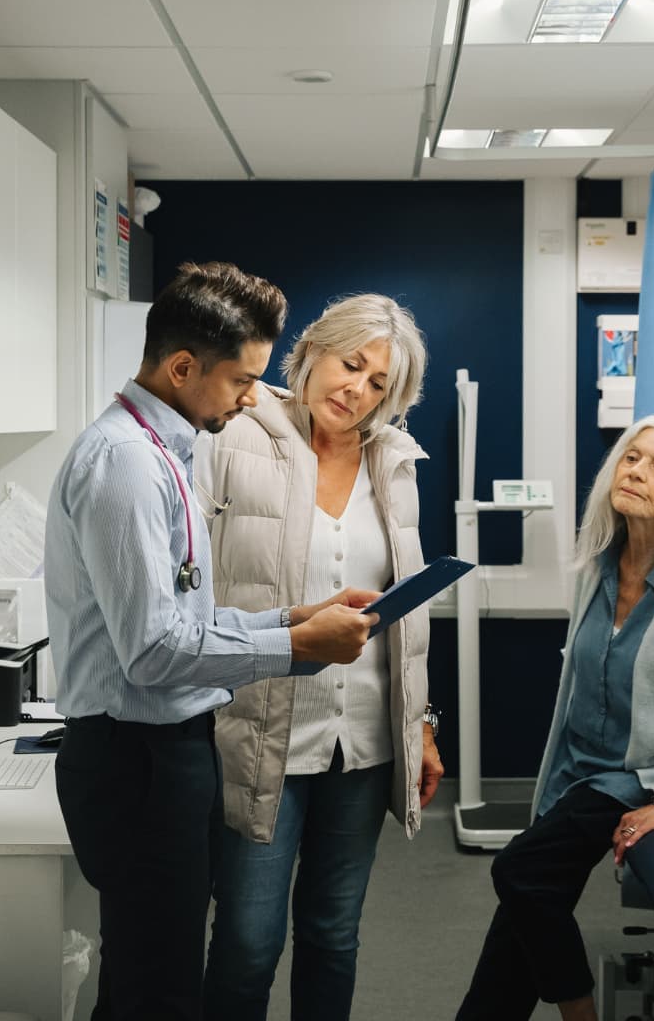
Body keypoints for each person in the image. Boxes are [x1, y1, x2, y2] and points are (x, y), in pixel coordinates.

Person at [44, 262, 381, 1021]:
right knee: (153, 988)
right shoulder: (125, 464)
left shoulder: (165, 449)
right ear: (183, 366)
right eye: (240, 380)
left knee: (154, 976)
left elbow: (188, 621)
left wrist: (291, 621)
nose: (251, 397)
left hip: (165, 752)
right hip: (137, 763)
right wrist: (298, 652)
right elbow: (154, 651)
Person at [456, 415, 654, 1021]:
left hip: (646, 773)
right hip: (578, 766)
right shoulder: (598, 563)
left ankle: (580, 1011)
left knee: (519, 869)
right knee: (527, 905)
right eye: (632, 458)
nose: (637, 472)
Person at [198, 293, 443, 1021]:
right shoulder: (233, 435)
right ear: (311, 351)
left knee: (334, 936)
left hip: (359, 745)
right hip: (258, 732)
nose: (356, 391)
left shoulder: (394, 464)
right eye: (352, 365)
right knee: (247, 942)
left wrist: (421, 723)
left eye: (379, 385)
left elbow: (406, 615)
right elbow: (193, 588)